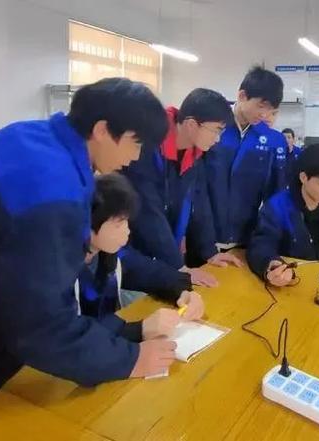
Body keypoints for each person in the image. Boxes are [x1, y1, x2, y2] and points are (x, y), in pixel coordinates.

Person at [0, 78, 174, 404]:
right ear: (103, 130)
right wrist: (130, 359)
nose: (136, 157)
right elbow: (41, 323)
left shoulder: (26, 136)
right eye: (136, 143)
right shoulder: (53, 189)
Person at [122, 88, 242, 288]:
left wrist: (209, 252)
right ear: (191, 124)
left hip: (165, 253)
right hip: (132, 252)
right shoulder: (148, 149)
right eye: (216, 130)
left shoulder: (194, 154)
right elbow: (149, 213)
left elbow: (199, 204)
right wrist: (179, 266)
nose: (218, 139)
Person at [75, 173, 204, 342]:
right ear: (88, 226)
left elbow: (149, 272)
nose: (127, 231)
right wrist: (139, 329)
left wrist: (183, 291)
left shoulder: (111, 254)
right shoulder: (61, 273)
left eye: (127, 222)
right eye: (118, 224)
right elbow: (72, 332)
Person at [201, 66, 287, 251]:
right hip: (203, 237)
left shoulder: (271, 140)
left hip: (246, 239)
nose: (265, 115)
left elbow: (275, 194)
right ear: (242, 96)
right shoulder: (211, 127)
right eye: (261, 106)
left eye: (271, 110)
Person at [247, 144, 319, 287]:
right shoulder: (277, 207)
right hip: (293, 283)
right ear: (303, 177)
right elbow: (261, 245)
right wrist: (271, 264)